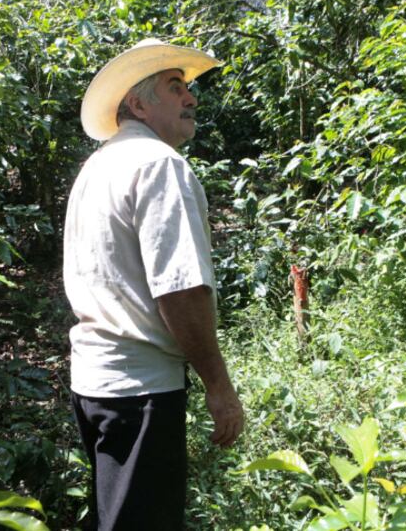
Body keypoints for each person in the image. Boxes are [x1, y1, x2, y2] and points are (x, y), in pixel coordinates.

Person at [64, 39, 244, 530]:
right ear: (138, 104)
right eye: (175, 87)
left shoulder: (97, 166)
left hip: (96, 384)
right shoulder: (160, 165)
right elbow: (180, 290)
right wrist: (219, 387)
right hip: (140, 389)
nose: (191, 99)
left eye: (187, 88)